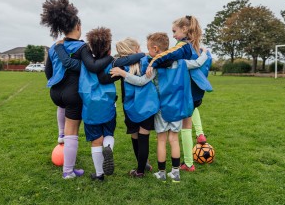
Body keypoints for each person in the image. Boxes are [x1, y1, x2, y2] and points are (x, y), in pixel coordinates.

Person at [110, 32, 209, 182]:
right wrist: (205, 53)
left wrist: (124, 74)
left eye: (149, 48)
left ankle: (162, 173)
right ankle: (175, 173)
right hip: (178, 108)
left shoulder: (154, 66)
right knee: (174, 140)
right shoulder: (182, 63)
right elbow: (198, 63)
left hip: (162, 109)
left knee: (162, 140)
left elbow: (141, 81)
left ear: (155, 49)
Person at [41, 0, 114, 179]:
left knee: (63, 122)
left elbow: (48, 71)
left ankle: (60, 136)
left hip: (56, 92)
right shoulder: (82, 47)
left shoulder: (55, 45)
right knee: (72, 132)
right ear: (78, 26)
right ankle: (68, 172)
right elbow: (90, 67)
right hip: (73, 93)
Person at [146, 15, 213, 172]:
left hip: (184, 92)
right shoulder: (197, 46)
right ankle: (196, 143)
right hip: (196, 93)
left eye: (174, 31)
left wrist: (152, 62)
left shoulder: (182, 45)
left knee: (184, 127)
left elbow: (169, 55)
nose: (173, 35)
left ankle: (188, 163)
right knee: (188, 123)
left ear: (184, 29)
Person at [78, 28, 145, 182]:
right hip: (108, 105)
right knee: (108, 134)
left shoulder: (84, 63)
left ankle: (99, 174)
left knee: (96, 140)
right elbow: (126, 61)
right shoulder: (113, 63)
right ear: (108, 47)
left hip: (89, 107)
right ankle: (108, 148)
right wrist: (142, 54)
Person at [114, 38, 158, 178]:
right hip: (148, 106)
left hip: (131, 107)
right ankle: (141, 169)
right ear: (136, 48)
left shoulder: (122, 67)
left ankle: (141, 166)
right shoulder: (149, 62)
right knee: (144, 137)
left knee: (135, 136)